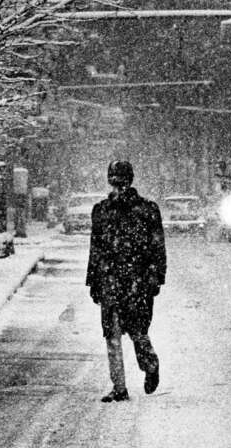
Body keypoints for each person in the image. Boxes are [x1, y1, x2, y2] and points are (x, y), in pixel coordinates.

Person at [86, 160, 166, 403]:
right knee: (118, 334)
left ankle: (143, 370)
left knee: (132, 332)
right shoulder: (109, 211)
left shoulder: (137, 210)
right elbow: (96, 248)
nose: (118, 184)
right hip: (123, 280)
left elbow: (156, 247)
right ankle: (123, 383)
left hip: (128, 280)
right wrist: (93, 280)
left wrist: (155, 277)